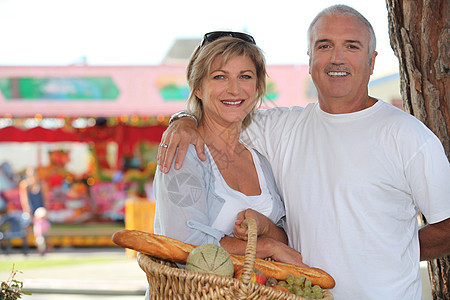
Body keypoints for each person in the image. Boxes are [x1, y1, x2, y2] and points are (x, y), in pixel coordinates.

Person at [157, 5, 450, 300]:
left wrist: (397, 247)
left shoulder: (408, 136)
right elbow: (220, 115)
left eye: (351, 46)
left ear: (372, 61)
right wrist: (184, 121)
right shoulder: (279, 128)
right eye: (324, 46)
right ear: (309, 59)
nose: (337, 58)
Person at [153, 32, 306, 265]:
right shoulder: (184, 151)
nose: (234, 89)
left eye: (245, 76)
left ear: (257, 88)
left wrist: (266, 228)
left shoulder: (259, 159)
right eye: (220, 77)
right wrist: (265, 246)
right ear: (197, 88)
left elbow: (286, 238)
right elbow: (184, 246)